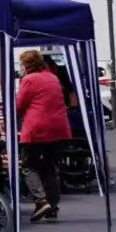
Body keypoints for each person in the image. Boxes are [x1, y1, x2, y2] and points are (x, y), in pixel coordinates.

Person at [16, 49, 72, 222]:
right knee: (50, 168)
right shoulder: (52, 77)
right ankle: (52, 207)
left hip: (37, 128)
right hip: (58, 128)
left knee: (28, 166)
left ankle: (41, 201)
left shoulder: (29, 79)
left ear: (26, 64)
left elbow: (19, 106)